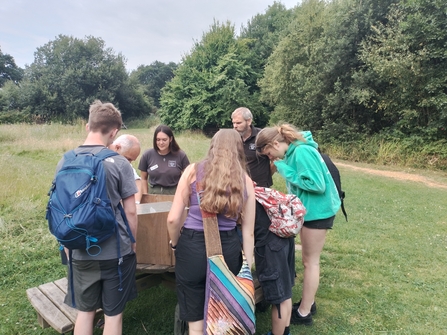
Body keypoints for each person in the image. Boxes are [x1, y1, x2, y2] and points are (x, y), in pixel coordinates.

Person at [57, 100, 138, 335]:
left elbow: (61, 206)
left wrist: (66, 244)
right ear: (113, 132)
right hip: (116, 251)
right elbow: (131, 211)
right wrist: (132, 242)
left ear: (87, 126)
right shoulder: (119, 163)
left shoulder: (66, 160)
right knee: (113, 316)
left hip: (79, 248)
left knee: (85, 313)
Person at [167, 129, 255, 335]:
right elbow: (248, 231)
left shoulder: (192, 171)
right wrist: (247, 267)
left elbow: (172, 218)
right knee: (223, 316)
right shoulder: (246, 181)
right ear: (238, 149)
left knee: (195, 321)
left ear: (212, 146)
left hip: (192, 247)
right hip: (229, 250)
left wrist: (175, 244)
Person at [255, 123, 341, 327]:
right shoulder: (295, 151)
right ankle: (307, 302)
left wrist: (284, 168)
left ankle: (304, 313)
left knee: (311, 262)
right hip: (310, 211)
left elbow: (317, 185)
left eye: (269, 153)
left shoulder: (301, 151)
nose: (271, 158)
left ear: (275, 143)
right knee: (307, 260)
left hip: (318, 212)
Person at [232, 107, 293, 335]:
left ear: (249, 121)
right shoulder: (236, 140)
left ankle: (253, 273)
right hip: (248, 195)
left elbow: (273, 160)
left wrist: (265, 181)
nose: (235, 126)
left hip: (261, 197)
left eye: (238, 122)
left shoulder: (261, 137)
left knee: (262, 235)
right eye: (233, 122)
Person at [138, 125, 190, 195]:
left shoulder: (181, 155)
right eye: (158, 140)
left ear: (170, 139)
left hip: (174, 194)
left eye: (164, 140)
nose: (161, 143)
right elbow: (143, 178)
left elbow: (188, 178)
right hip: (153, 194)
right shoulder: (147, 155)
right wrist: (145, 195)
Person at [110, 134, 143, 203]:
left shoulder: (124, 164)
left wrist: (136, 203)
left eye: (131, 160)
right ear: (117, 147)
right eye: (127, 159)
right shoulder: (100, 159)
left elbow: (137, 181)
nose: (128, 163)